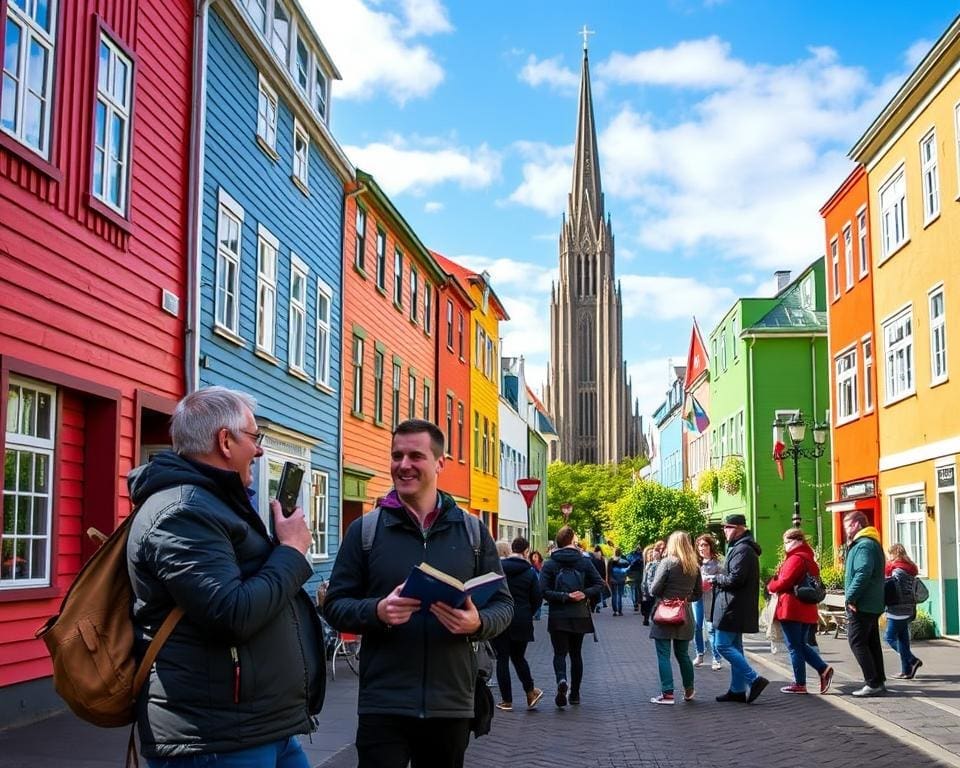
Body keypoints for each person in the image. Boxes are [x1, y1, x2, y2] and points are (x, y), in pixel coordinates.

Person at [126, 386, 324, 767]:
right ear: (225, 441)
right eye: (255, 438)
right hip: (213, 739)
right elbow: (231, 613)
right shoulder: (182, 512)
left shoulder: (214, 504)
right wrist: (291, 551)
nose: (260, 449)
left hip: (258, 727)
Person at [323, 420, 513, 768]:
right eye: (397, 455)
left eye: (415, 456)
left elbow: (503, 604)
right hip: (384, 703)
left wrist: (477, 622)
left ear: (439, 463)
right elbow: (335, 605)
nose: (403, 464)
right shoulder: (365, 531)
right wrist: (377, 611)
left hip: (451, 702)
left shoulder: (472, 531)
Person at [539, 525, 603, 708]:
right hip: (580, 614)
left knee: (559, 653)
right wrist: (584, 593)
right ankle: (575, 694)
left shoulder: (550, 563)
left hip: (558, 614)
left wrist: (563, 597)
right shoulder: (584, 561)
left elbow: (542, 590)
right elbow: (599, 583)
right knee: (576, 654)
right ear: (572, 541)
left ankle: (561, 679)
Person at [708, 514, 769, 704]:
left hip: (733, 606)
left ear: (741, 528)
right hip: (735, 605)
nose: (725, 531)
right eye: (724, 527)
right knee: (735, 648)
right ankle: (737, 690)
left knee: (722, 645)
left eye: (729, 527)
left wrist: (715, 578)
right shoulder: (741, 547)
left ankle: (754, 679)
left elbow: (735, 579)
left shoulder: (743, 550)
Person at [766, 528, 834, 694]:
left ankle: (802, 682)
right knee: (800, 644)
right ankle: (822, 671)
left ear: (796, 541)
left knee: (794, 646)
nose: (785, 545)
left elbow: (783, 582)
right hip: (807, 608)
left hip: (791, 608)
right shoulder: (810, 559)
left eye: (787, 542)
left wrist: (770, 585)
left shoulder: (795, 559)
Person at [648, 531, 703, 705]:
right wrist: (684, 599)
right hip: (684, 613)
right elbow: (698, 594)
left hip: (665, 611)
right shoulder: (694, 566)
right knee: (683, 654)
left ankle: (668, 693)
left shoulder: (667, 563)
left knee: (663, 655)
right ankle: (689, 689)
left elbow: (654, 589)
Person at [493, 537, 544, 712]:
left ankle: (507, 701)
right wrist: (528, 612)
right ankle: (530, 692)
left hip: (500, 617)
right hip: (521, 620)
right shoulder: (529, 572)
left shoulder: (498, 570)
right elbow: (537, 598)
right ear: (526, 551)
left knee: (502, 659)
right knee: (519, 657)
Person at [843, 510, 886, 697]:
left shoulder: (864, 546)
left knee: (857, 641)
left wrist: (851, 597)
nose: (846, 530)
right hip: (872, 602)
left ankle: (872, 682)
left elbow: (863, 572)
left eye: (848, 526)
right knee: (871, 642)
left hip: (862, 603)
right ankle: (878, 680)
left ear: (857, 525)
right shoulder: (869, 543)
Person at [885, 543, 923, 680]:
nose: (889, 557)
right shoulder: (910, 569)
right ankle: (906, 671)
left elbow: (894, 589)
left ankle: (913, 660)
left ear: (895, 554)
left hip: (897, 609)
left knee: (889, 637)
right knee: (902, 639)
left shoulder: (897, 571)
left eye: (890, 554)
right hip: (909, 608)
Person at [694, 534, 723, 671]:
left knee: (711, 628)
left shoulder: (717, 562)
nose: (702, 548)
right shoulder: (695, 562)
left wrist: (709, 578)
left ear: (710, 546)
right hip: (697, 597)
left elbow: (723, 577)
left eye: (705, 545)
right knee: (696, 627)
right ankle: (700, 654)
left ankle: (716, 658)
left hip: (711, 597)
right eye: (700, 545)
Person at [640, 541, 664, 626]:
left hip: (654, 589)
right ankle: (647, 618)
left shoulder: (661, 563)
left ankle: (651, 618)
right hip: (649, 588)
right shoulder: (650, 564)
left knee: (652, 605)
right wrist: (644, 588)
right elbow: (646, 577)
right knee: (647, 604)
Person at [607, 547, 629, 616]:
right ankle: (620, 611)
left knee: (614, 595)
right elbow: (626, 571)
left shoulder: (610, 560)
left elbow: (608, 571)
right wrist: (625, 578)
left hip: (613, 579)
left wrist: (609, 579)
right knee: (619, 595)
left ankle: (615, 611)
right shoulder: (624, 561)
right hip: (621, 579)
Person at [626, 545, 645, 612]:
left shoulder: (634, 555)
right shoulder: (637, 555)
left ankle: (637, 603)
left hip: (637, 573)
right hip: (636, 573)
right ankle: (636, 603)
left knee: (636, 589)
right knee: (636, 589)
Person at [591, 545, 610, 612]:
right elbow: (606, 568)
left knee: (596, 592)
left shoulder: (592, 557)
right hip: (602, 575)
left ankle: (597, 605)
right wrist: (606, 578)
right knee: (603, 591)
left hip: (595, 576)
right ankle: (603, 603)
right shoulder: (603, 558)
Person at [530, 551, 545, 620]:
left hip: (540, 583)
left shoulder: (541, 565)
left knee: (539, 599)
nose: (534, 558)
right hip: (534, 583)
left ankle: (537, 615)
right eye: (533, 556)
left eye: (536, 556)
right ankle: (535, 614)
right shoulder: (531, 566)